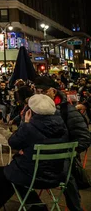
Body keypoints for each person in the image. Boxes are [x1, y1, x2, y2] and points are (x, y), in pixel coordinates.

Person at [0, 94, 68, 211]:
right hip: (58, 175)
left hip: (33, 176)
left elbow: (13, 142)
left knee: (4, 173)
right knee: (14, 173)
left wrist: (25, 123)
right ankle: (35, 205)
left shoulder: (29, 127)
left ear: (30, 111)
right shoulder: (63, 127)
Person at [33, 75, 91, 211]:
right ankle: (35, 206)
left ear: (53, 91)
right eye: (37, 91)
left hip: (62, 161)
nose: (40, 95)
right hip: (35, 158)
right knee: (13, 173)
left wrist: (68, 152)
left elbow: (84, 138)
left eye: (44, 91)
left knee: (67, 177)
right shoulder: (33, 107)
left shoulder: (67, 110)